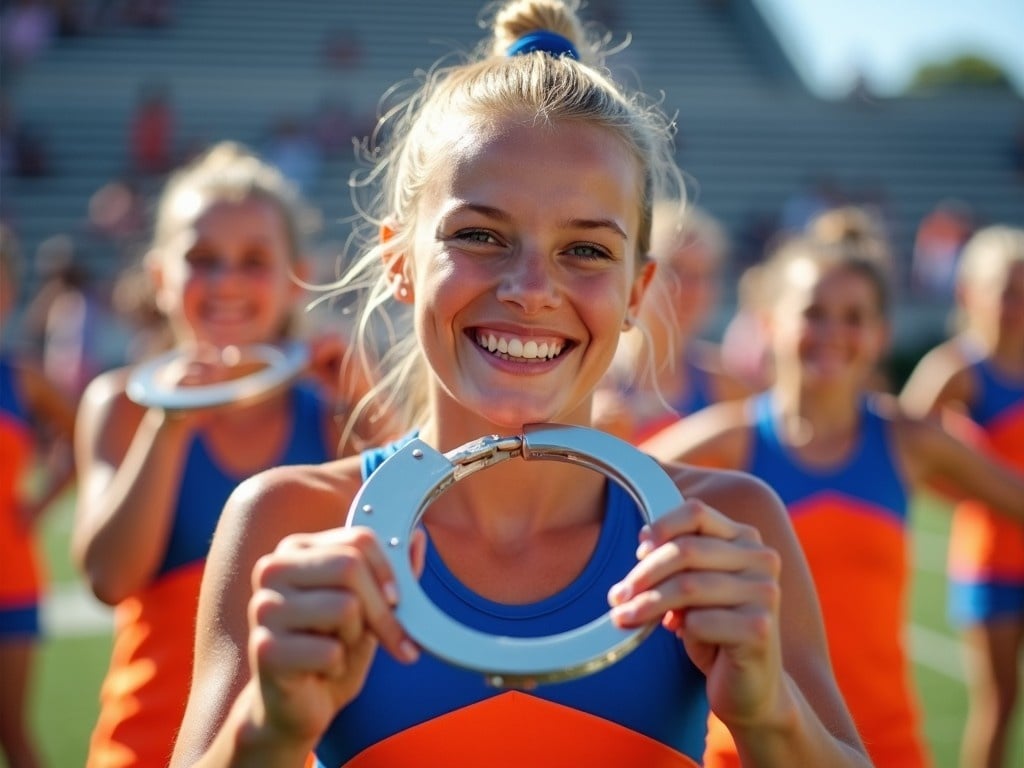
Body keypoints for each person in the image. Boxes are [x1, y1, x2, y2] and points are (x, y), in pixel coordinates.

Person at [170, 3, 871, 767]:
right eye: (480, 235)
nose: (532, 288)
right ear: (401, 260)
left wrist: (772, 717)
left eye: (586, 250)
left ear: (637, 291)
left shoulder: (724, 529)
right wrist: (268, 730)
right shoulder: (290, 523)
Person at [642, 233, 1024, 768]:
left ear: (880, 334)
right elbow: (602, 493)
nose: (833, 333)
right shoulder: (729, 439)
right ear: (772, 323)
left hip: (884, 747)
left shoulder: (909, 440)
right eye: (814, 313)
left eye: (854, 316)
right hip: (749, 748)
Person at [72, 141, 385, 768]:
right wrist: (168, 428)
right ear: (161, 277)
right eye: (202, 260)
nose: (227, 283)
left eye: (253, 261)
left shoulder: (328, 410)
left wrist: (370, 406)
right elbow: (109, 578)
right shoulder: (123, 404)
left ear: (296, 276)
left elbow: (412, 545)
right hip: (144, 747)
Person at [900, 225, 1024, 768]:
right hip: (989, 562)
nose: (1017, 305)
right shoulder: (959, 369)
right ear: (971, 293)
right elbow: (898, 445)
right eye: (1007, 291)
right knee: (998, 702)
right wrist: (969, 491)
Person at [0, 223, 77, 768]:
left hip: (11, 576)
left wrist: (42, 503)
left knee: (13, 735)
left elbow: (84, 438)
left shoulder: (22, 378)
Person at [592, 201, 751, 444]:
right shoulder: (594, 378)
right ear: (637, 275)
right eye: (674, 270)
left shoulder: (727, 386)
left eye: (704, 275)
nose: (690, 289)